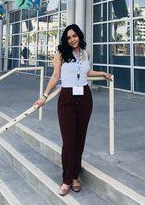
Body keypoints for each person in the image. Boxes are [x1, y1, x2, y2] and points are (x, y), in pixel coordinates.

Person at [34, 24, 112, 196]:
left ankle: (75, 176)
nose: (72, 39)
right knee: (69, 141)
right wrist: (44, 96)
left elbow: (87, 72)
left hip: (84, 98)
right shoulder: (61, 55)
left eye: (75, 36)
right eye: (69, 37)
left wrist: (103, 73)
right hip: (67, 99)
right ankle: (67, 179)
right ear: (66, 39)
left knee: (80, 140)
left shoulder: (85, 52)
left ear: (79, 36)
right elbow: (55, 76)